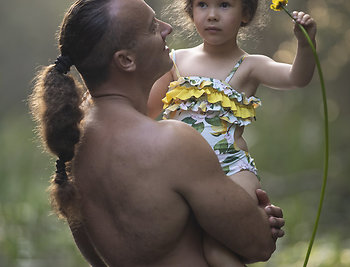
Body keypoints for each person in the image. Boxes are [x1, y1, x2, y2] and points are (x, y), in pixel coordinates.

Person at [29, 0, 284, 266]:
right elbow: (259, 244)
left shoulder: (72, 146)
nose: (168, 28)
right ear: (126, 60)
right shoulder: (173, 142)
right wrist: (259, 217)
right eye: (152, 27)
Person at [147, 0, 316, 266]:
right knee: (181, 244)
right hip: (180, 169)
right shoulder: (174, 61)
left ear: (245, 14)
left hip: (232, 171)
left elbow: (297, 78)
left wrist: (306, 44)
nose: (212, 15)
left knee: (217, 248)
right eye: (202, 4)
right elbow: (145, 111)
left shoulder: (251, 66)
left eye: (224, 5)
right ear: (191, 11)